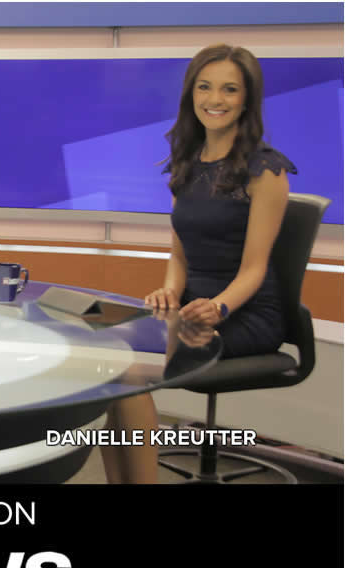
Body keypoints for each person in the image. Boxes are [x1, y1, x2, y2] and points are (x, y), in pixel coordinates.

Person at [101, 44, 296, 484]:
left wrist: (218, 307)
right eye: (205, 87)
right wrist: (170, 290)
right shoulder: (187, 163)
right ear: (191, 94)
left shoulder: (266, 170)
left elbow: (254, 269)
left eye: (230, 89)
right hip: (190, 307)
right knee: (109, 355)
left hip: (244, 313)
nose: (215, 99)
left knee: (130, 370)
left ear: (247, 99)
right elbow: (179, 252)